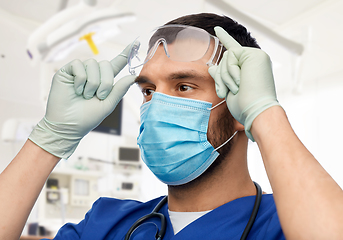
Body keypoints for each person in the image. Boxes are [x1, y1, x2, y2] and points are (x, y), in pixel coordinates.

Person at [0, 12, 342, 240]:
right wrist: (49, 139)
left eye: (183, 87)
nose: (156, 105)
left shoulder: (286, 223)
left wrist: (265, 114)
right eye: (149, 90)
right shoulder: (107, 223)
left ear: (239, 103)